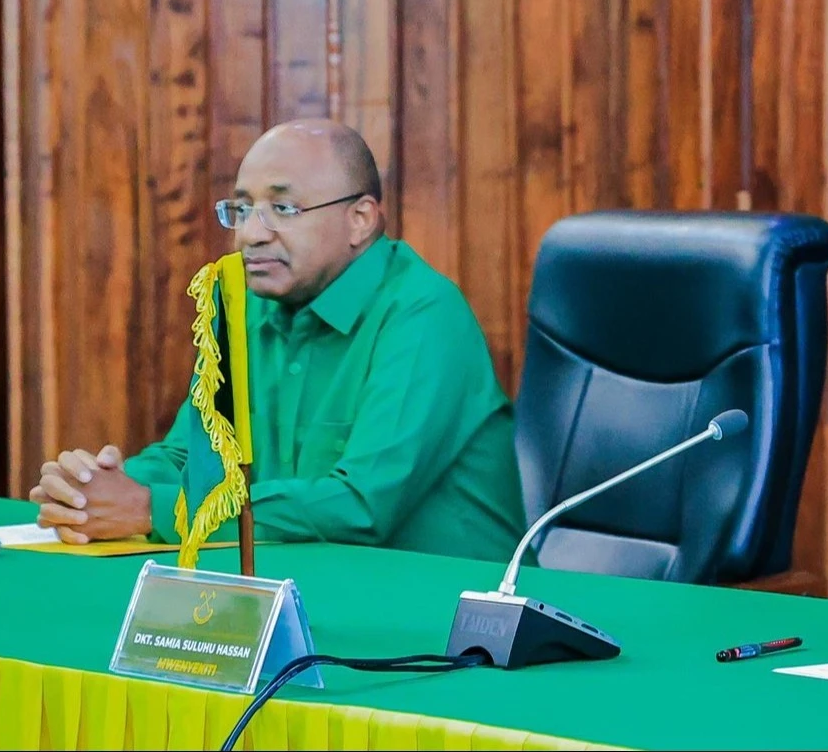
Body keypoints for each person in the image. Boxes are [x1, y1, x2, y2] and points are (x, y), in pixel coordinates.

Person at [30, 120, 525, 562]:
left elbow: (360, 507)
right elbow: (189, 457)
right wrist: (94, 490)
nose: (251, 233)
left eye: (282, 208)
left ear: (361, 219)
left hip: (452, 620)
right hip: (309, 594)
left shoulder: (422, 313)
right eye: (241, 209)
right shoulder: (246, 309)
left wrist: (148, 509)